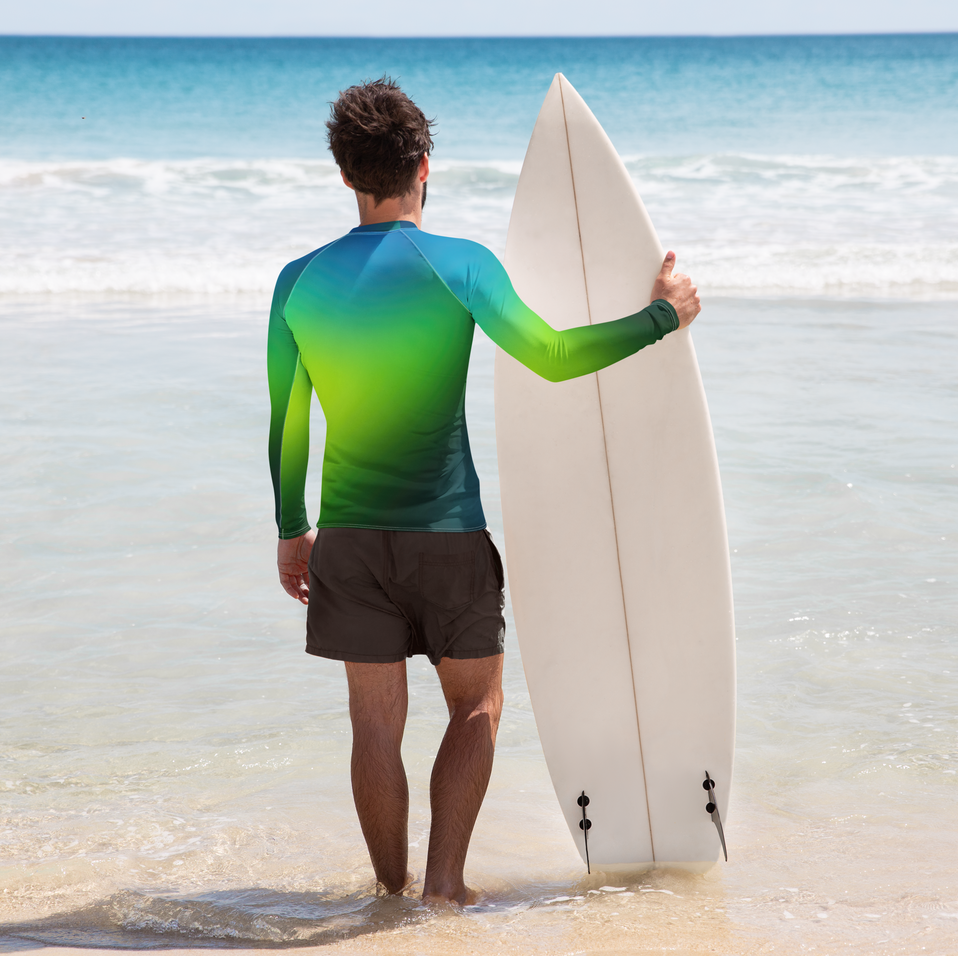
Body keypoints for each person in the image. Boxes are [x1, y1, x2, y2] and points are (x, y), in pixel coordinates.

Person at [267, 77, 700, 906]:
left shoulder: (298, 281)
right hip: (449, 539)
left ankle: (388, 895)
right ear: (424, 164)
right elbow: (553, 357)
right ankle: (444, 888)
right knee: (477, 708)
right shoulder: (459, 264)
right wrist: (661, 318)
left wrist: (293, 528)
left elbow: (288, 420)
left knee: (373, 723)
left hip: (349, 540)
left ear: (345, 174)